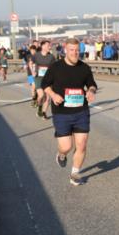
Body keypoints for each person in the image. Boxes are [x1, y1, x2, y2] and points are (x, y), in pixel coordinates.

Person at [40, 38, 98, 186]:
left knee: (82, 144)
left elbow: (91, 84)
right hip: (61, 112)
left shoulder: (84, 68)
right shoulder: (56, 67)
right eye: (71, 50)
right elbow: (45, 84)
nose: (74, 53)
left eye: (77, 50)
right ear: (66, 50)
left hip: (81, 111)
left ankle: (75, 173)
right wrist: (53, 95)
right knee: (66, 146)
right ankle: (61, 154)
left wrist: (91, 91)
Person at [32, 40, 57, 119]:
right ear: (42, 46)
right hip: (38, 77)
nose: (49, 47)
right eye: (47, 45)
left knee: (48, 97)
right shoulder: (36, 55)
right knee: (42, 95)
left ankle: (44, 113)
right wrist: (33, 71)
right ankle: (39, 108)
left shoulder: (51, 57)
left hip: (48, 78)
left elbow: (54, 67)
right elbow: (31, 63)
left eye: (49, 46)